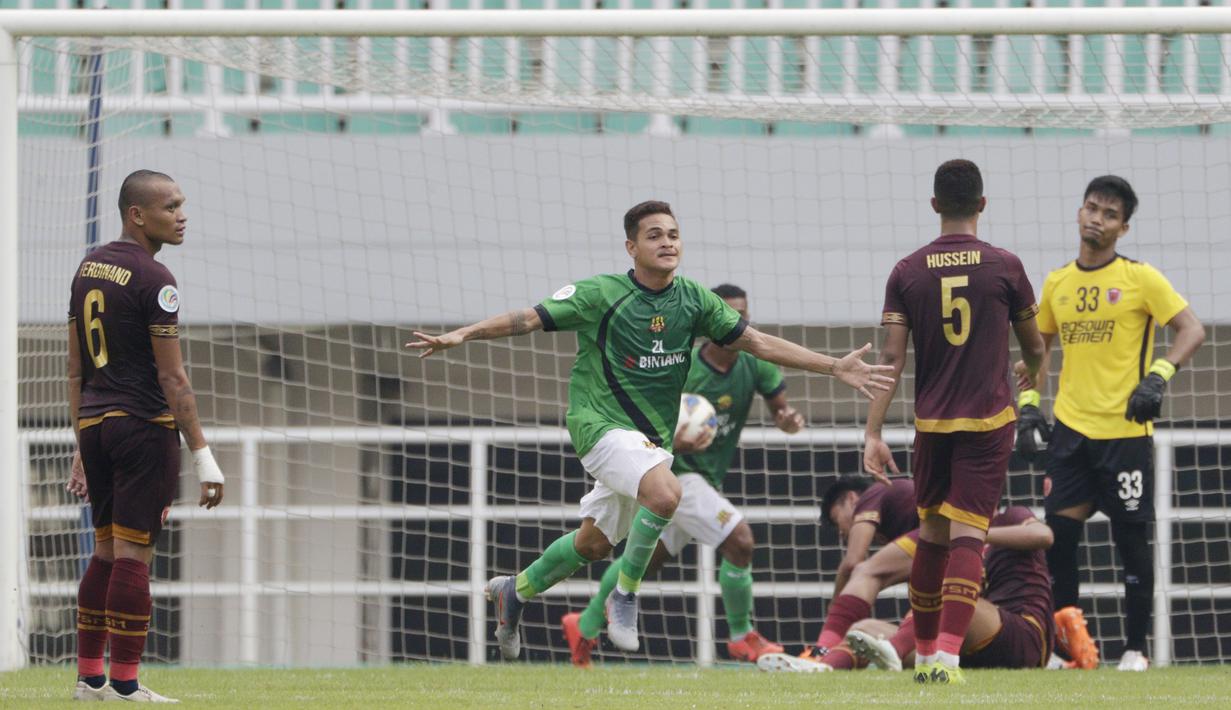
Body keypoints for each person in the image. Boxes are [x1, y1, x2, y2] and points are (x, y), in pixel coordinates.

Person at [408, 200, 894, 660]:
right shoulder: (601, 293)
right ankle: (625, 596)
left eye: (674, 235)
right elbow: (527, 318)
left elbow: (758, 342)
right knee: (666, 494)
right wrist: (464, 333)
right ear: (631, 247)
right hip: (598, 425)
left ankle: (516, 591)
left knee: (593, 546)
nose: (668, 242)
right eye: (655, 235)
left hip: (647, 442)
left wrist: (834, 367)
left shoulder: (694, 300)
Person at [863, 159, 1046, 684]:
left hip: (932, 424)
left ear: (935, 204)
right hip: (988, 421)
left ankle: (922, 658)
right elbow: (1034, 347)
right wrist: (1028, 371)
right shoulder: (1006, 266)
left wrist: (873, 432)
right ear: (982, 205)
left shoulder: (907, 270)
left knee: (932, 535)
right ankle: (947, 659)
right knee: (970, 537)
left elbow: (891, 359)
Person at [1014, 175, 1206, 672]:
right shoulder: (1057, 281)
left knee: (1130, 542)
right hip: (1071, 433)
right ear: (1080, 212)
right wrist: (1031, 404)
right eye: (1092, 208)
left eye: (1109, 214)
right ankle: (1067, 652)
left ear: (1124, 228)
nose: (1097, 218)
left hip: (1125, 434)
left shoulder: (1141, 278)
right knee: (1058, 540)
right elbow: (1037, 351)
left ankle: (1134, 650)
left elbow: (1192, 329)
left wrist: (1159, 377)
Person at [560, 283, 806, 667]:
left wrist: (787, 420)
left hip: (702, 481)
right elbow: (640, 419)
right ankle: (742, 636)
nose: (737, 321)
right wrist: (674, 441)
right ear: (711, 322)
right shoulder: (684, 364)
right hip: (676, 474)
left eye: (743, 314)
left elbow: (780, 408)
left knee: (647, 561)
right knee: (740, 541)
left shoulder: (755, 362)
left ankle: (586, 625)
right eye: (729, 314)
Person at [66, 170, 225, 702]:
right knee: (134, 557)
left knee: (105, 552)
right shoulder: (156, 278)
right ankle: (127, 686)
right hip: (141, 428)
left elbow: (74, 368)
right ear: (137, 214)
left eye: (182, 204)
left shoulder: (89, 265)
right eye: (170, 206)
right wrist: (203, 455)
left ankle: (90, 680)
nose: (181, 215)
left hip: (95, 425)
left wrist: (80, 444)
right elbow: (172, 377)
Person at [757, 507, 1056, 673]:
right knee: (863, 629)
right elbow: (862, 569)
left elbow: (1044, 535)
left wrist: (977, 533)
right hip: (966, 652)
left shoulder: (1010, 517)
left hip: (1024, 638)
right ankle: (823, 669)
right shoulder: (942, 534)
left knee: (954, 597)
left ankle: (896, 650)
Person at [795, 475, 918, 664]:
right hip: (972, 619)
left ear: (852, 499)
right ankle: (832, 663)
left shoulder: (873, 494)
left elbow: (853, 561)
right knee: (863, 633)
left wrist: (837, 606)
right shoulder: (901, 528)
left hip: (953, 536)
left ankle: (821, 652)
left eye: (837, 520)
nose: (840, 532)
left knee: (863, 572)